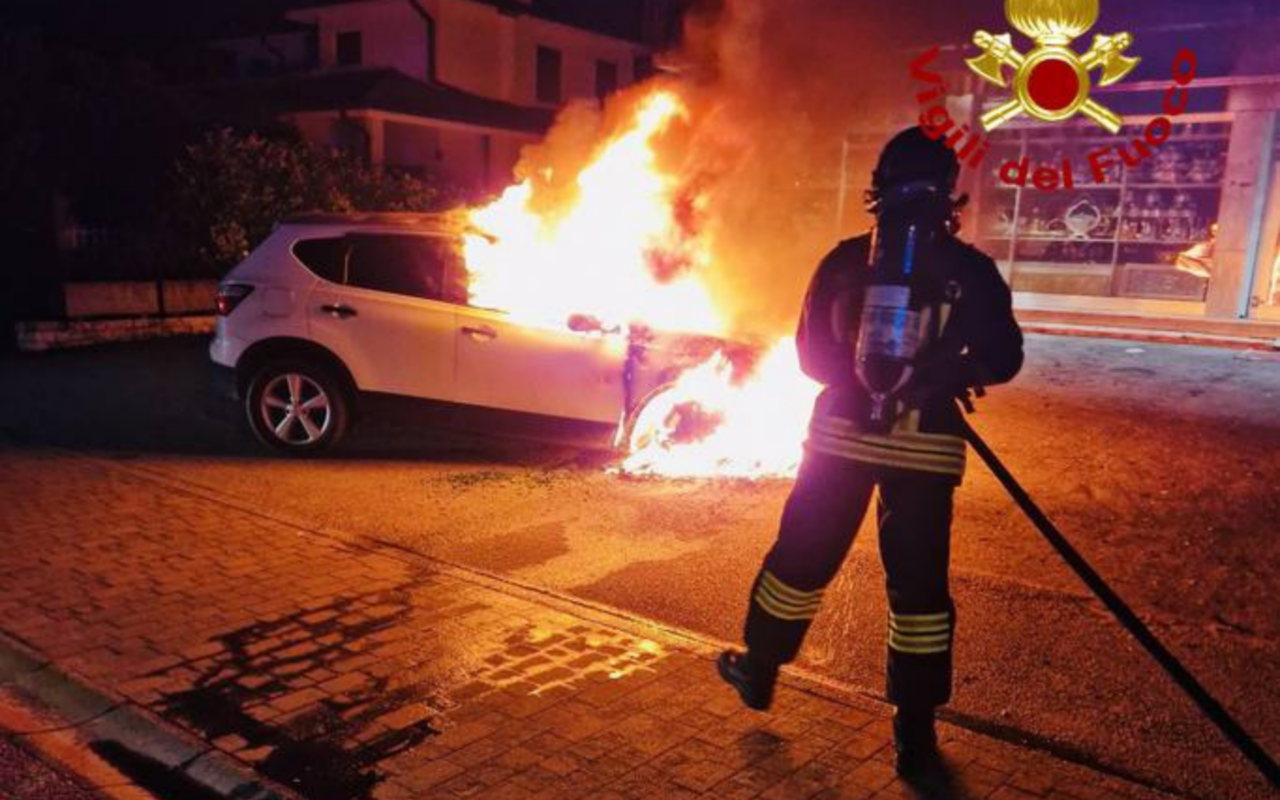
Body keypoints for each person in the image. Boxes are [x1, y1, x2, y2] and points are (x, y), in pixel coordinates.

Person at [717, 127, 1024, 779]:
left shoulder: (843, 261)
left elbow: (809, 359)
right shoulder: (970, 271)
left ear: (878, 188)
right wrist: (945, 375)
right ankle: (913, 731)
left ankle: (760, 667)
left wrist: (862, 380)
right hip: (924, 448)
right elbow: (1004, 358)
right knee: (918, 590)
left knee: (801, 559)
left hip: (839, 443)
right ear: (948, 195)